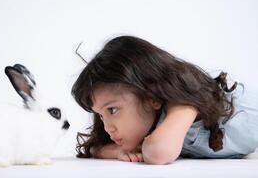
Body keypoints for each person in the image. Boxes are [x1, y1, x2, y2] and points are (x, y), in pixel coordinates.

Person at [71, 35, 258, 165]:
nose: (107, 127)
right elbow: (95, 148)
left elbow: (158, 152)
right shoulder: (147, 125)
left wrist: (140, 149)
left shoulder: (184, 102)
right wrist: (118, 151)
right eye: (101, 116)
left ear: (151, 97)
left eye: (112, 110)